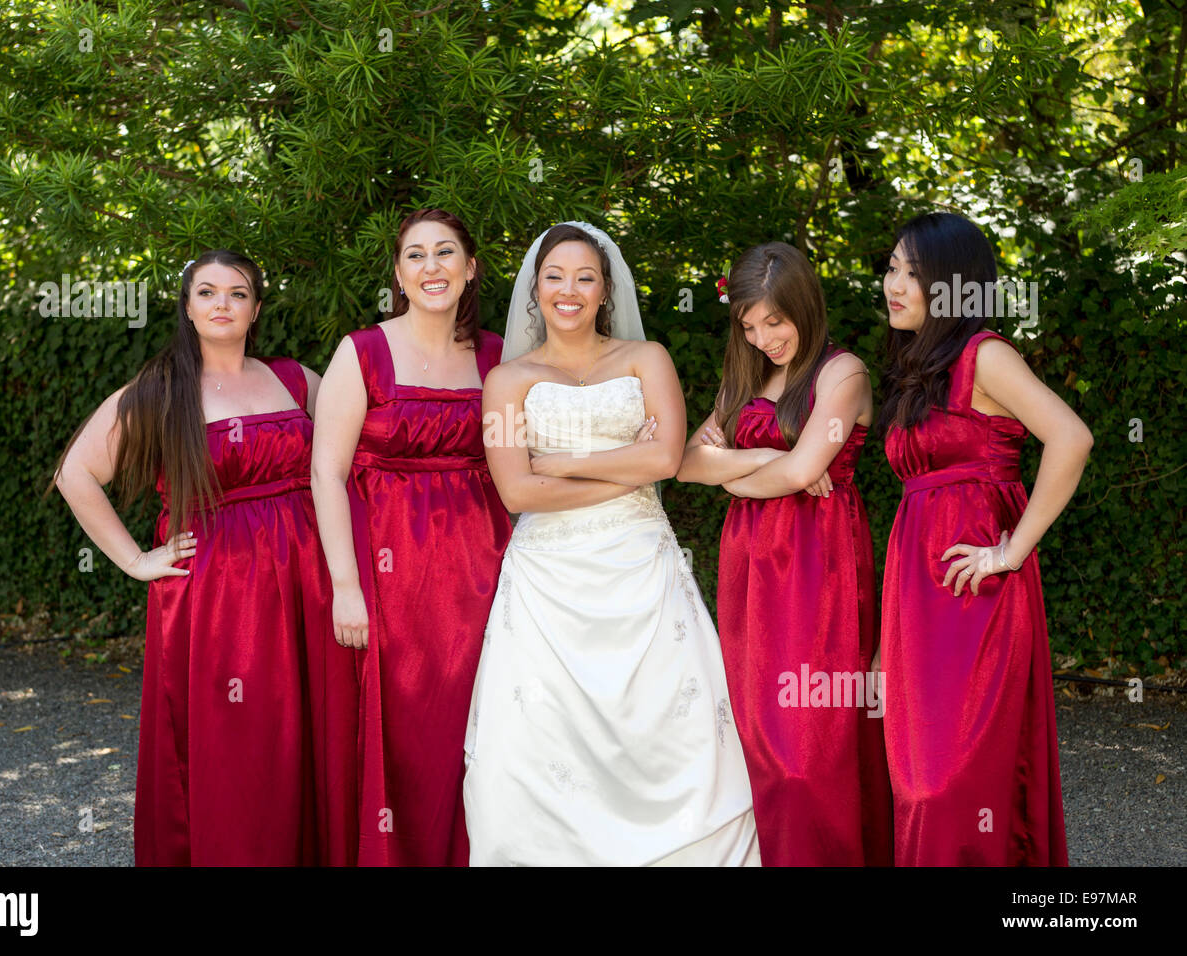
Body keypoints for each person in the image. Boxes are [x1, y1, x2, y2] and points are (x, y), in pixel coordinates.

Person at [462, 221, 759, 866]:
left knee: (664, 729)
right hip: (548, 583)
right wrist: (623, 461)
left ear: (605, 291)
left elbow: (667, 458)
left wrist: (558, 461)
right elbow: (517, 493)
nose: (569, 291)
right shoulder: (505, 382)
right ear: (535, 288)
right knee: (543, 743)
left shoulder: (644, 360)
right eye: (555, 276)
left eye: (585, 277)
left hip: (640, 569)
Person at [51, 250, 357, 865]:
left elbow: (355, 459)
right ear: (188, 309)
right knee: (239, 749)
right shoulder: (160, 391)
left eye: (237, 293)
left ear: (256, 309)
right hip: (220, 599)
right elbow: (75, 472)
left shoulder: (296, 379)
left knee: (308, 739)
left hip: (307, 582)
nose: (222, 304)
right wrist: (137, 560)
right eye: (207, 293)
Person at [878, 212, 1091, 865]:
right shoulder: (921, 367)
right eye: (891, 267)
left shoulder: (985, 355)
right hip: (918, 589)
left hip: (979, 591)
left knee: (953, 779)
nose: (894, 283)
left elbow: (1071, 437)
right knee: (916, 777)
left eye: (912, 271)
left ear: (952, 282)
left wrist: (1012, 550)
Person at [676, 241, 893, 866]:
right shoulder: (746, 375)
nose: (763, 336)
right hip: (749, 565)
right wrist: (767, 462)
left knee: (811, 742)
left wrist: (741, 471)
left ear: (804, 303)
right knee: (758, 735)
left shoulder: (842, 374)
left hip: (818, 564)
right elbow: (688, 463)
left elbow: (803, 474)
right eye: (749, 324)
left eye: (775, 319)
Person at [312, 209, 511, 866]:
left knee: (476, 724)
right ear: (398, 273)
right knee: (398, 728)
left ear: (470, 266)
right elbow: (327, 471)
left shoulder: (498, 355)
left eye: (446, 252)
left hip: (483, 572)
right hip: (387, 573)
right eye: (416, 256)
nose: (432, 267)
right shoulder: (362, 351)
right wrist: (345, 586)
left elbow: (531, 459)